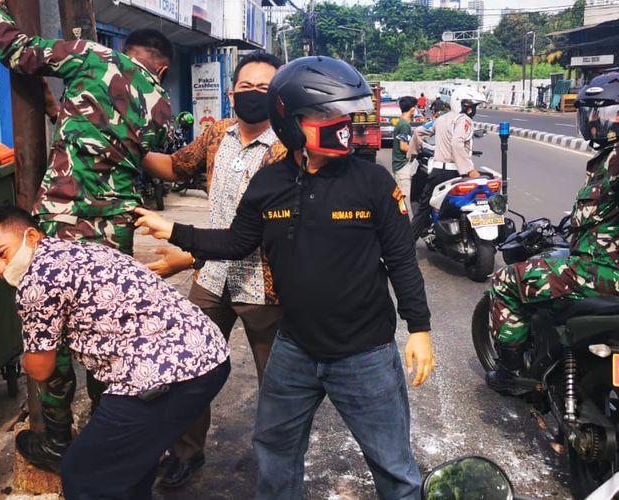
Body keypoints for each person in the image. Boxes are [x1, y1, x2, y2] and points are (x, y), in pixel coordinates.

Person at [134, 56, 435, 499]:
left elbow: (402, 260)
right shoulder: (268, 182)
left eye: (343, 115)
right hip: (293, 350)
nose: (340, 124)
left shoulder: (372, 181)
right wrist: (178, 233)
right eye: (325, 114)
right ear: (290, 120)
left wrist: (420, 329)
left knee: (393, 466)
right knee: (273, 450)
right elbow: (237, 242)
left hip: (365, 354)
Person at [0, 1, 174, 472]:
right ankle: (112, 436)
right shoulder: (162, 106)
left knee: (54, 334)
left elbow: (17, 50)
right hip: (112, 236)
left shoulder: (94, 56)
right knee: (108, 335)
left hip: (60, 227)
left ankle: (58, 441)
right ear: (162, 66)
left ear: (126, 48)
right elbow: (127, 153)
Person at [0, 205, 230, 498]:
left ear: (31, 236)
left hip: (162, 374)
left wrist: (30, 345)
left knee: (84, 474)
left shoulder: (36, 280)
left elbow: (40, 368)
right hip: (206, 354)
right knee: (128, 471)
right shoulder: (78, 250)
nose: (0, 268)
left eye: (2, 253)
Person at [141, 51, 286, 489]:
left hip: (265, 284)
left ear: (279, 97)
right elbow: (174, 167)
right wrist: (126, 145)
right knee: (191, 366)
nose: (254, 95)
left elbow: (263, 233)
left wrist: (184, 255)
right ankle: (186, 451)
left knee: (277, 384)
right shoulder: (217, 134)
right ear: (231, 91)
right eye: (247, 87)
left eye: (265, 89)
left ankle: (278, 466)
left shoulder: (286, 150)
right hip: (212, 279)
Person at [486, 73, 619, 394]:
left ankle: (510, 374)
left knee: (506, 282)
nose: (600, 123)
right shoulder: (609, 158)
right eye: (593, 114)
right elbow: (605, 212)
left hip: (602, 276)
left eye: (613, 114)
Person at [410, 86, 486, 242]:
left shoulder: (441, 119)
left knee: (424, 209)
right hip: (456, 172)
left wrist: (413, 152)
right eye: (469, 106)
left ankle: (406, 245)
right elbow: (457, 144)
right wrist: (469, 170)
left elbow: (418, 132)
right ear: (460, 104)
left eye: (472, 107)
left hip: (437, 172)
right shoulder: (464, 120)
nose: (472, 110)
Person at [393, 96, 418, 219]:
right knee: (405, 198)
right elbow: (403, 146)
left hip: (400, 165)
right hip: (402, 165)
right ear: (412, 109)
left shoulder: (402, 122)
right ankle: (404, 224)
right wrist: (417, 150)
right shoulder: (404, 126)